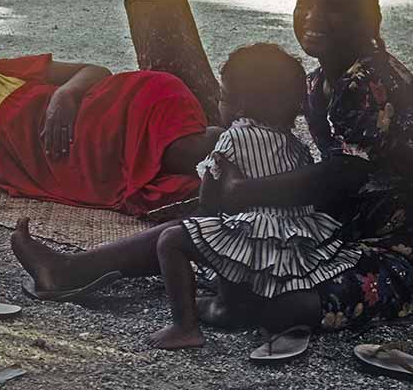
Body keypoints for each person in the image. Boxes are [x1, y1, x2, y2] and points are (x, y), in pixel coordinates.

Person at [13, 0, 413, 333]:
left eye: (334, 7)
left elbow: (342, 177)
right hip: (349, 228)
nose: (313, 18)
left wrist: (243, 193)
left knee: (286, 297)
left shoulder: (368, 83)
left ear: (366, 16)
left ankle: (231, 306)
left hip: (412, 251)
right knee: (218, 232)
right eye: (304, 3)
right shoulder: (319, 83)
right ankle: (71, 269)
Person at [147, 43, 361, 349]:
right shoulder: (297, 147)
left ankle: (185, 326)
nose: (219, 105)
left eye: (222, 97)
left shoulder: (232, 137)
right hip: (293, 246)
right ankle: (230, 307)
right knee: (236, 240)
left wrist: (204, 222)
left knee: (171, 240)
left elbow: (209, 199)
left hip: (251, 237)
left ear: (239, 106)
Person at [0, 40, 223, 216]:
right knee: (191, 183)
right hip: (105, 164)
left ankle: (245, 138)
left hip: (122, 110)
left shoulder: (8, 73)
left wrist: (64, 95)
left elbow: (96, 71)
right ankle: (245, 157)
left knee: (185, 151)